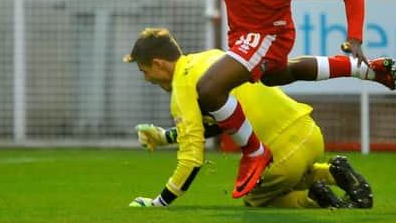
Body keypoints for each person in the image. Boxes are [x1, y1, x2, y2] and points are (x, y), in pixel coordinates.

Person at [175, 0, 396, 198]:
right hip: (242, 32)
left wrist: (355, 36)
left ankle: (254, 152)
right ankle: (364, 70)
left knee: (210, 88)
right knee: (276, 76)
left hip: (270, 33)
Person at [125, 28, 373, 209]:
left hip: (282, 156)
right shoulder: (213, 57)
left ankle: (315, 198)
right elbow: (221, 120)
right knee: (287, 176)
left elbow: (192, 159)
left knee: (255, 199)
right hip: (309, 132)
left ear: (158, 64)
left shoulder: (181, 88)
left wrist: (160, 202)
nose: (147, 80)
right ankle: (334, 171)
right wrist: (164, 136)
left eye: (144, 72)